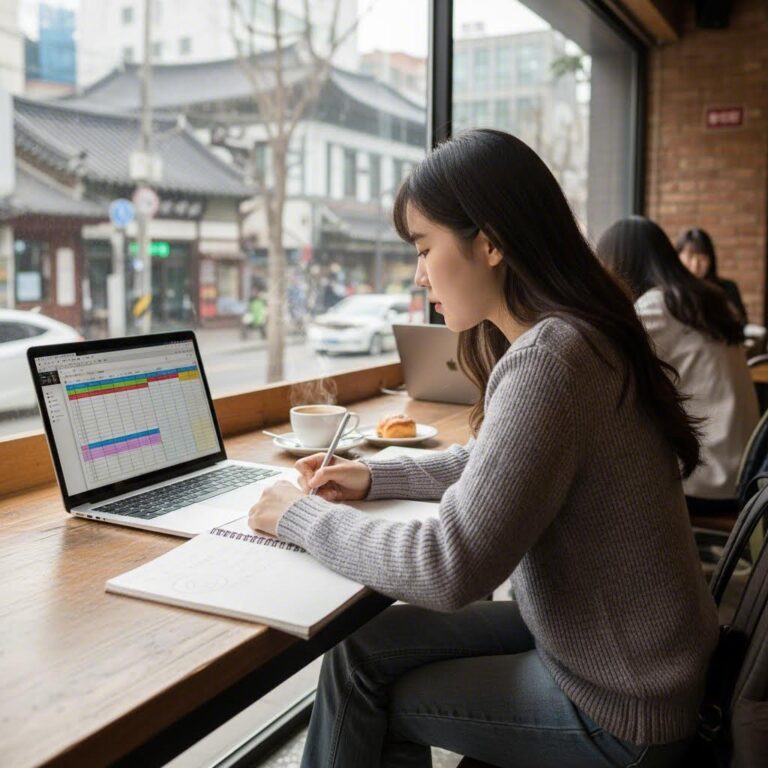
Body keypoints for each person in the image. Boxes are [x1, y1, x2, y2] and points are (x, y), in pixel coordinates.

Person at [248, 130, 718, 767]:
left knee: (374, 686)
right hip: (614, 650)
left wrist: (299, 516)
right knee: (360, 648)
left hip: (620, 708)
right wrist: (372, 477)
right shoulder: (579, 336)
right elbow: (501, 465)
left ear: (490, 242)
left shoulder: (551, 359)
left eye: (424, 247)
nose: (419, 274)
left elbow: (449, 567)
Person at [597, 216, 759, 515]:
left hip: (707, 480)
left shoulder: (658, 307)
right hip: (747, 471)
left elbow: (606, 370)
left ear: (621, 265)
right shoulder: (709, 298)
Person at [676, 227, 748, 326]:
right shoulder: (673, 292)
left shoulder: (727, 288)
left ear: (711, 260)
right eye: (690, 256)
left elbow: (741, 323)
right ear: (678, 257)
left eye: (702, 258)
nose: (695, 264)